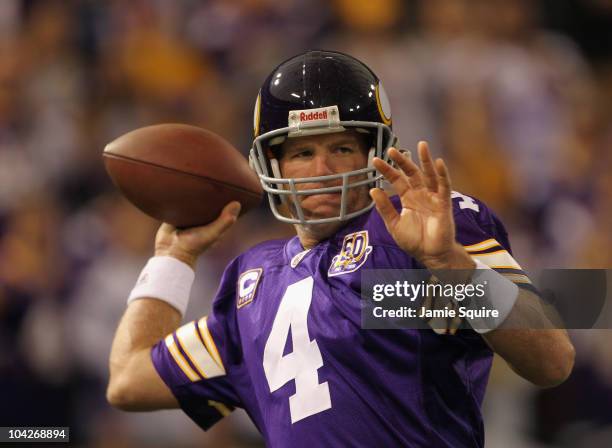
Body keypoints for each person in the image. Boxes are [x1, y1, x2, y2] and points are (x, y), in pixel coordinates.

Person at [106, 50, 575, 447]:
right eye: (303, 153)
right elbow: (128, 380)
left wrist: (449, 263)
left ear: (375, 152)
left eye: (343, 149)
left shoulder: (417, 227)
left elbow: (552, 359)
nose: (323, 169)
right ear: (273, 165)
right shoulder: (252, 287)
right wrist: (173, 258)